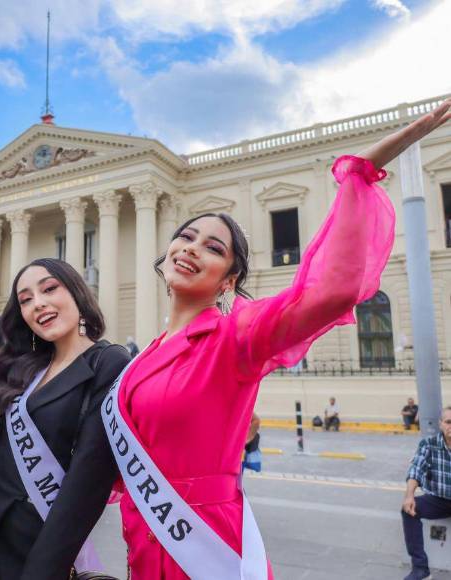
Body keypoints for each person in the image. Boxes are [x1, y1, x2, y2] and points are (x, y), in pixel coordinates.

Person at [102, 99, 450, 580]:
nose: (192, 248)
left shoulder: (234, 335)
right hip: (142, 544)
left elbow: (333, 290)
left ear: (229, 280)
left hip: (204, 548)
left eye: (213, 247)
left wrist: (358, 174)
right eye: (186, 237)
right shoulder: (141, 358)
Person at [0, 196, 131, 580]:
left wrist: (46, 568)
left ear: (76, 292)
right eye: (26, 299)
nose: (38, 304)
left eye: (49, 289)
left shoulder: (107, 362)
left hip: (41, 542)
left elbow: (88, 480)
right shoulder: (25, 360)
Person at [402, 406, 451, 580]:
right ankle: (420, 569)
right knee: (409, 510)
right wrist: (409, 495)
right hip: (438, 499)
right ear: (440, 424)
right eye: (448, 422)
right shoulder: (428, 444)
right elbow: (416, 468)